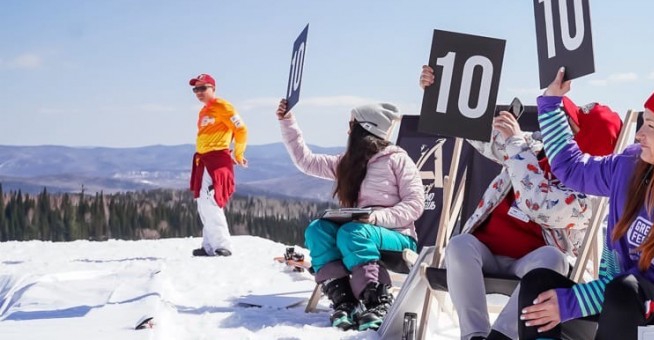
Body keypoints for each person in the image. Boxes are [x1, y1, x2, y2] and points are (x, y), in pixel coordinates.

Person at [518, 66, 654, 340]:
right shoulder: (631, 165)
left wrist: (570, 304)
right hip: (617, 304)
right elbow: (572, 168)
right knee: (537, 286)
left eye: (651, 126)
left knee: (627, 289)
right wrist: (551, 104)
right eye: (644, 121)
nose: (638, 134)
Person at [419, 66, 622, 340]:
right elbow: (481, 136)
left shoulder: (591, 194)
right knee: (459, 244)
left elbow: (537, 203)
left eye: (569, 124)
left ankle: (500, 337)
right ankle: (475, 335)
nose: (558, 125)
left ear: (585, 142)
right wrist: (440, 93)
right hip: (487, 251)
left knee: (553, 259)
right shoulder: (535, 150)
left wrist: (516, 144)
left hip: (532, 262)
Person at [276, 99, 425, 331]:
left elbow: (415, 205)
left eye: (352, 124)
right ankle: (344, 301)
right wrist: (287, 122)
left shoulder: (398, 160)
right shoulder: (348, 163)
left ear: (365, 128)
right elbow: (306, 162)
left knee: (352, 231)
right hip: (358, 235)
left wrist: (376, 218)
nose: (348, 130)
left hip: (399, 238)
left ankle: (377, 300)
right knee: (318, 229)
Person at [188, 73, 248, 257]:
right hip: (204, 159)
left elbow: (241, 129)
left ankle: (223, 245)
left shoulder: (223, 106)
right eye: (195, 89)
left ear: (213, 88)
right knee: (203, 201)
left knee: (211, 199)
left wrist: (237, 153)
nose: (199, 92)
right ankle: (209, 245)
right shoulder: (204, 110)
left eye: (203, 88)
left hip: (216, 159)